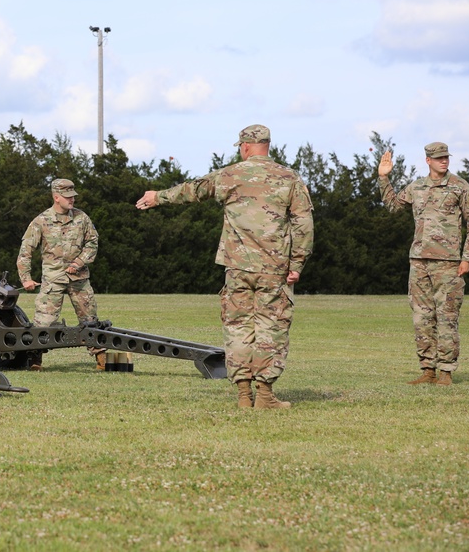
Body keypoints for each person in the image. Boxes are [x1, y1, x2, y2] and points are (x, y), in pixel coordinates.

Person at [136, 125, 314, 409]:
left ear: (244, 147)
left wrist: (158, 196)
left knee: (238, 327)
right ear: (267, 145)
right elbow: (303, 223)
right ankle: (265, 396)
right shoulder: (290, 177)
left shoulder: (229, 175)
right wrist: (298, 263)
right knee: (272, 328)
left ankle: (244, 395)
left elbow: (193, 190)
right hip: (274, 268)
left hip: (236, 267)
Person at [378, 143, 469, 386]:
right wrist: (384, 178)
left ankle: (445, 371)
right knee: (422, 318)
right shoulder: (417, 187)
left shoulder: (460, 187)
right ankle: (428, 370)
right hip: (419, 262)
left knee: (447, 318)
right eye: (438, 158)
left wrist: (468, 257)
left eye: (446, 157)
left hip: (448, 263)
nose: (443, 161)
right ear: (428, 160)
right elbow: (393, 206)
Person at [17, 178, 105, 371]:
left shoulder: (82, 218)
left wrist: (79, 262)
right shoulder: (41, 221)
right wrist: (26, 279)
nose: (72, 200)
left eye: (73, 196)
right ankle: (35, 361)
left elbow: (92, 243)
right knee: (43, 322)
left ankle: (101, 360)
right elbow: (25, 251)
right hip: (53, 280)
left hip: (79, 278)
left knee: (90, 319)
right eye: (67, 197)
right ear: (56, 197)